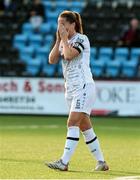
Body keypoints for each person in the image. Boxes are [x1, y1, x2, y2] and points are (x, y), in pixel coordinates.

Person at [45, 10, 109, 171]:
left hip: (84, 87)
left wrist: (65, 40)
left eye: (63, 24)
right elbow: (52, 60)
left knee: (72, 122)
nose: (60, 27)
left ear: (72, 24)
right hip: (71, 90)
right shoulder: (63, 40)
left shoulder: (82, 39)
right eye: (58, 24)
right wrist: (59, 39)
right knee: (85, 127)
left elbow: (68, 55)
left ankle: (64, 162)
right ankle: (101, 162)